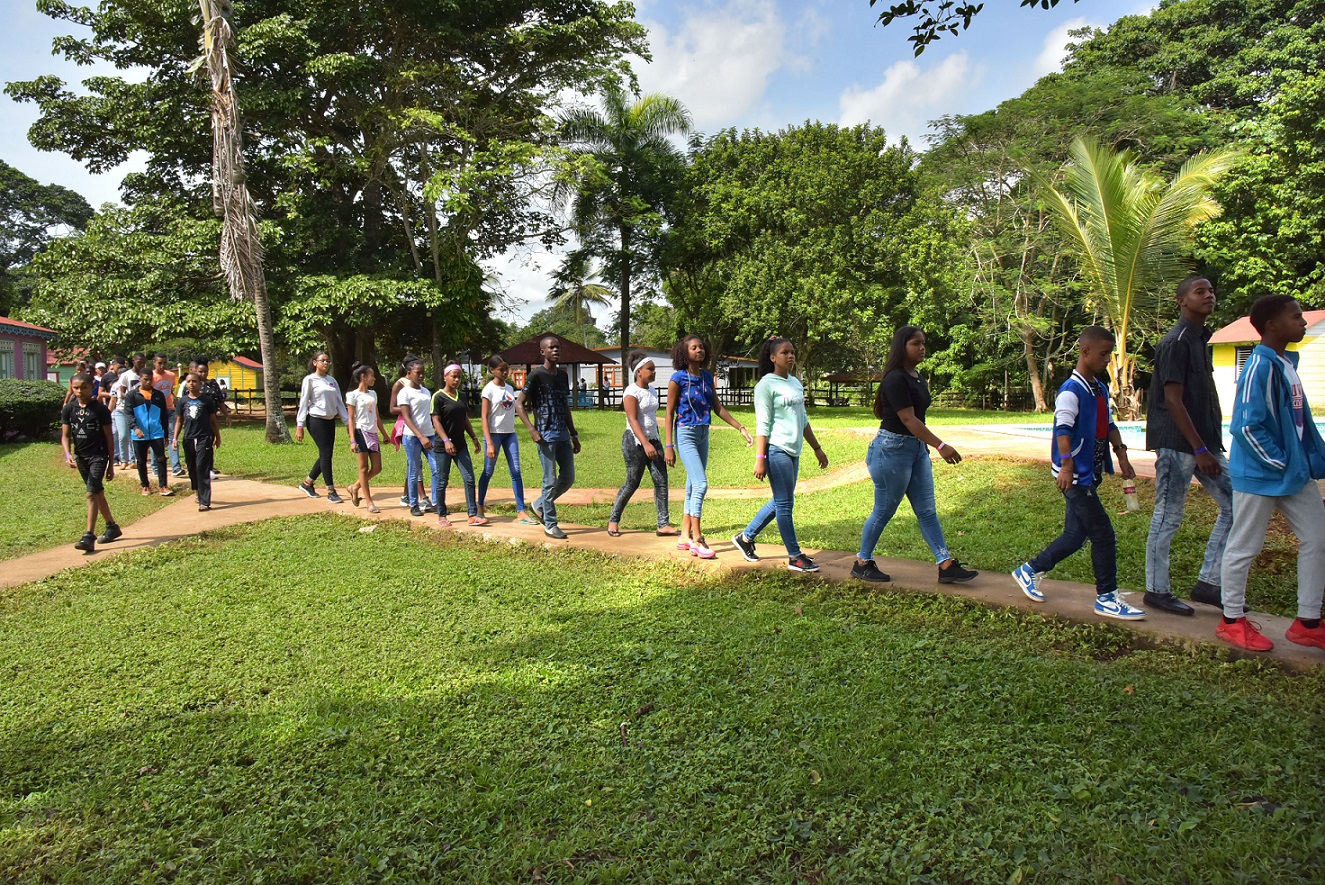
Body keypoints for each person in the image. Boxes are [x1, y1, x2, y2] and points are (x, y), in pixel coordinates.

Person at [1012, 326, 1146, 620]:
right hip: (1073, 476)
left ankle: (1029, 570)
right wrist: (1068, 467)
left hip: (1089, 473)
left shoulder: (1098, 387)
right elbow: (1063, 430)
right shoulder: (1070, 391)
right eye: (1102, 354)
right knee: (1103, 534)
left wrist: (1122, 455)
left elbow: (1108, 424)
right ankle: (1107, 597)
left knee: (1075, 535)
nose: (1106, 359)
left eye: (1109, 354)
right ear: (1085, 352)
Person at [1216, 296, 1325, 653]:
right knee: (1244, 546)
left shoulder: (1285, 363)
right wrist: (1280, 462)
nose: (1303, 322)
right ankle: (1232, 621)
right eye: (1296, 317)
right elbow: (1245, 427)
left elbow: (1299, 425)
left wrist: (1309, 460)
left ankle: (1307, 622)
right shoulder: (1258, 367)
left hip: (1294, 474)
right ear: (1273, 325)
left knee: (1318, 538)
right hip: (1261, 476)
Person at [852, 326, 979, 585]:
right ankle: (862, 562)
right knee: (884, 510)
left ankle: (945, 564)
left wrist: (927, 445)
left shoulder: (917, 376)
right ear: (902, 347)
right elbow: (908, 419)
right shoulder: (895, 379)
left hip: (916, 450)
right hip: (891, 450)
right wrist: (941, 446)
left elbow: (917, 418)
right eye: (915, 344)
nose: (922, 348)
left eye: (923, 343)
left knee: (927, 509)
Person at [1143, 276, 1233, 616]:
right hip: (1178, 444)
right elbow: (1173, 400)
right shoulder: (1176, 342)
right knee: (1168, 515)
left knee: (1237, 505)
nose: (1209, 295)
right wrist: (1199, 450)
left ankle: (1210, 583)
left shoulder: (1201, 340)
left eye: (1211, 290)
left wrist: (1207, 447)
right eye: (1200, 292)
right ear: (1182, 301)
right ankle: (1156, 590)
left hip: (1203, 443)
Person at [730, 337, 827, 571]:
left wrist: (817, 448)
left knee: (781, 500)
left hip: (794, 450)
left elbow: (803, 420)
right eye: (785, 352)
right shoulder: (765, 385)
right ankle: (795, 556)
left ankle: (745, 537)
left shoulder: (795, 383)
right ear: (773, 358)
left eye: (792, 352)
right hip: (776, 450)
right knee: (784, 503)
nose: (790, 356)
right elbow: (763, 425)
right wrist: (760, 459)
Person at [664, 334, 753, 558]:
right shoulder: (678, 379)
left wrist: (740, 427)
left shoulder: (706, 376)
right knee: (701, 484)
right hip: (685, 433)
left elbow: (717, 407)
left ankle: (684, 536)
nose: (699, 351)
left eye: (701, 347)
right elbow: (668, 413)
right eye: (694, 348)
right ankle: (698, 539)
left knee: (692, 485)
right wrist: (669, 445)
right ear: (685, 353)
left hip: (703, 432)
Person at [515, 336, 579, 540]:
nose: (555, 350)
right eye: (551, 347)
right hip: (546, 435)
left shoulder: (562, 375)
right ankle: (550, 524)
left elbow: (565, 406)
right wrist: (532, 430)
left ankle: (539, 504)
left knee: (568, 477)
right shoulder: (536, 375)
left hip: (562, 434)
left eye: (557, 347)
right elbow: (519, 404)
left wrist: (574, 434)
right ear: (542, 352)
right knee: (550, 480)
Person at [608, 351, 676, 538]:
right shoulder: (631, 392)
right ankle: (614, 520)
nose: (654, 372)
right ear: (639, 371)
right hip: (635, 442)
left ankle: (663, 524)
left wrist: (658, 442)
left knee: (661, 481)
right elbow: (632, 419)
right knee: (632, 482)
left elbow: (652, 418)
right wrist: (645, 444)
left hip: (654, 439)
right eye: (650, 369)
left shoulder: (652, 390)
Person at [60, 373, 122, 553]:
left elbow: (109, 437)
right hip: (81, 457)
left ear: (91, 387)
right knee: (97, 492)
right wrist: (67, 454)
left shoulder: (100, 410)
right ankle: (112, 527)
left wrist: (111, 464)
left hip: (99, 456)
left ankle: (88, 536)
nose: (79, 391)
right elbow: (65, 436)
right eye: (76, 388)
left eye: (83, 387)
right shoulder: (69, 409)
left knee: (90, 494)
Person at [478, 355, 532, 523]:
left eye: (506, 369)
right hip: (494, 435)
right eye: (501, 369)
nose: (505, 372)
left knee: (516, 471)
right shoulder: (488, 390)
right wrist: (489, 444)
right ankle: (479, 507)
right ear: (492, 370)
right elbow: (484, 418)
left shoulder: (509, 388)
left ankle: (521, 510)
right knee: (488, 471)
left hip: (510, 434)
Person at [431, 364, 485, 527]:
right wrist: (446, 441)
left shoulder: (461, 396)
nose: (456, 379)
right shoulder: (438, 397)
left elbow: (464, 419)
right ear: (445, 377)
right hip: (443, 446)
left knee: (469, 478)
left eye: (459, 377)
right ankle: (441, 515)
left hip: (461, 445)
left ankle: (472, 515)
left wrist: (474, 437)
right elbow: (436, 421)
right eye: (453, 376)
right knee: (442, 481)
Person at [295, 351, 349, 503]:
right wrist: (300, 425)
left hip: (330, 420)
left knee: (326, 454)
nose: (325, 363)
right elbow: (304, 402)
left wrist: (347, 423)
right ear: (314, 363)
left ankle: (307, 483)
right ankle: (331, 491)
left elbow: (339, 402)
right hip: (315, 420)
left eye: (327, 361)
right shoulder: (310, 380)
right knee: (326, 454)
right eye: (322, 360)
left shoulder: (332, 381)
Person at [396, 356, 437, 517]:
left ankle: (435, 502)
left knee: (436, 468)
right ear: (409, 373)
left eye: (423, 373)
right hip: (413, 437)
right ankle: (414, 503)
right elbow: (406, 417)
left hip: (430, 434)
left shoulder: (426, 391)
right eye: (418, 373)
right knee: (414, 470)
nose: (421, 376)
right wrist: (421, 436)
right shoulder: (404, 392)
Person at [175, 372, 221, 511]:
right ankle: (196, 489)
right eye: (189, 381)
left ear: (200, 383)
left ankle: (204, 501)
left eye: (194, 381)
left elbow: (213, 420)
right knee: (192, 468)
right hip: (188, 438)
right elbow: (179, 420)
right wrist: (174, 438)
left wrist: (217, 437)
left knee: (202, 467)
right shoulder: (182, 401)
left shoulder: (206, 400)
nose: (191, 384)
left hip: (204, 437)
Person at [345, 362, 386, 513]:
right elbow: (350, 419)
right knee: (363, 468)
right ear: (363, 377)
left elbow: (377, 416)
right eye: (371, 376)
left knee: (377, 467)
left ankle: (355, 487)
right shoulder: (352, 395)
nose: (374, 379)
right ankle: (369, 502)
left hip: (373, 433)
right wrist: (352, 439)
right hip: (360, 432)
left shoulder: (373, 394)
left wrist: (384, 433)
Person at [124, 370, 173, 496]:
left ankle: (163, 486)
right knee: (141, 460)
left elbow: (163, 415)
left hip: (157, 432)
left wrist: (166, 434)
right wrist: (135, 428)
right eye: (145, 379)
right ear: (140, 379)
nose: (148, 381)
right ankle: (145, 485)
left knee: (161, 458)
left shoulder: (159, 395)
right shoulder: (132, 395)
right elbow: (128, 414)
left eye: (150, 379)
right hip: (139, 434)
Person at [390, 354, 428, 510]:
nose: (420, 373)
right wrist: (408, 407)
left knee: (413, 463)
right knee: (415, 463)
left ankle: (406, 496)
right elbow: (392, 408)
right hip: (407, 425)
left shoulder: (421, 384)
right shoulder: (400, 384)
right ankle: (422, 496)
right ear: (410, 369)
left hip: (422, 425)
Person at [152, 354, 183, 476]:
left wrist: (174, 400)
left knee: (172, 436)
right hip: (155, 410)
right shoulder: (151, 376)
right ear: (154, 362)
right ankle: (155, 467)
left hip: (170, 409)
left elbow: (170, 390)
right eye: (159, 363)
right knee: (157, 438)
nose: (162, 365)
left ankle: (176, 467)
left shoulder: (171, 375)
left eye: (164, 363)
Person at [106, 357, 134, 468]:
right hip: (120, 412)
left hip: (131, 411)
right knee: (123, 436)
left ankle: (133, 460)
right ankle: (124, 460)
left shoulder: (132, 384)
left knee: (132, 436)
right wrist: (108, 414)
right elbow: (113, 400)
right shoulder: (115, 386)